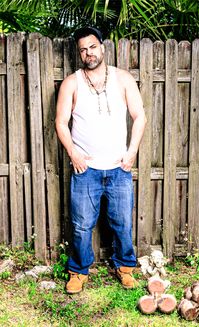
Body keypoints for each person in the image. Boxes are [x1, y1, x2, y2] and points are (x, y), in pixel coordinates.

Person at [55, 26, 146, 294]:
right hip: (86, 170)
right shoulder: (71, 83)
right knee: (81, 225)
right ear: (79, 54)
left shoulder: (123, 79)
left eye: (92, 47)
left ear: (102, 48)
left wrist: (131, 152)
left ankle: (125, 267)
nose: (88, 53)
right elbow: (61, 122)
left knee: (122, 223)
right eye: (83, 49)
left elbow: (139, 116)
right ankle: (78, 272)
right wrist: (74, 153)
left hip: (119, 168)